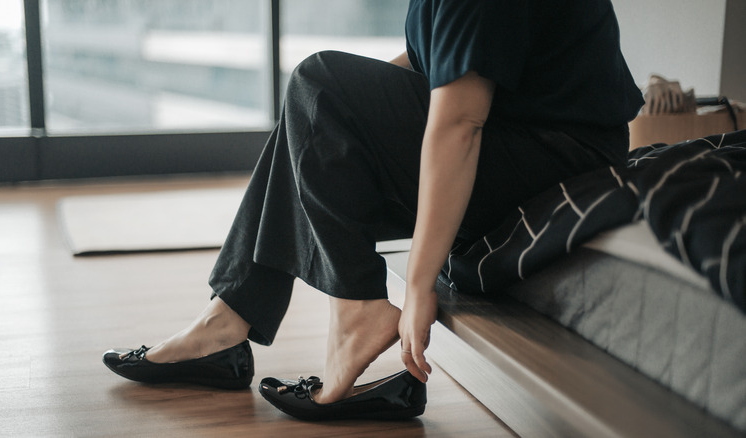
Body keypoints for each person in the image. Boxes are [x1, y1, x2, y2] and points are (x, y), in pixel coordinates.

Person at [103, 0, 644, 420]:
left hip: (555, 158)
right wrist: (330, 122)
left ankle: (357, 309)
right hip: (525, 135)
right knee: (314, 101)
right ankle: (225, 321)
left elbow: (459, 124)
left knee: (318, 84)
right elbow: (427, 59)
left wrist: (417, 288)